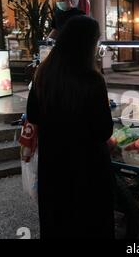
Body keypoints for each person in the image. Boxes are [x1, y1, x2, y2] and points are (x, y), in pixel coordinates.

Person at [27, 16, 114, 239]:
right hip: (87, 170)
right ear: (88, 44)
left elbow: (33, 115)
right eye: (96, 42)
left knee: (58, 222)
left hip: (53, 167)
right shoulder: (92, 80)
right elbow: (103, 131)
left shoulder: (43, 74)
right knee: (88, 224)